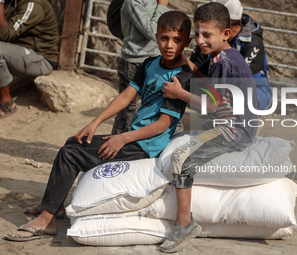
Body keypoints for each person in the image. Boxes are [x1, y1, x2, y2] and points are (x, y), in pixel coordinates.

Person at [4, 10, 193, 242]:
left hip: (145, 146)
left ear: (187, 42)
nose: (169, 45)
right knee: (74, 141)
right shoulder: (151, 63)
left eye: (177, 40)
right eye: (164, 38)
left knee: (69, 154)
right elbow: (126, 97)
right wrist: (94, 123)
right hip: (133, 137)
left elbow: (162, 125)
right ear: (156, 36)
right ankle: (53, 206)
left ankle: (47, 220)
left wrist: (123, 138)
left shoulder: (181, 77)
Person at [160, 2, 258, 253]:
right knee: (178, 141)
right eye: (197, 34)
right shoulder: (217, 57)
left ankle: (184, 223)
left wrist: (179, 93)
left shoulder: (227, 60)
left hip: (234, 132)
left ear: (226, 34)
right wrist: (180, 59)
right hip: (224, 125)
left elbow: (212, 106)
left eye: (207, 35)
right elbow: (198, 76)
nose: (200, 41)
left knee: (182, 159)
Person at [190, 0, 272, 110]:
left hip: (253, 89)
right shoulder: (207, 39)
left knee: (232, 98)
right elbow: (196, 68)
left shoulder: (252, 41)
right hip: (217, 83)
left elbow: (236, 77)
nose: (200, 40)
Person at [111, 0, 169, 134]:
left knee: (155, 107)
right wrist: (162, 6)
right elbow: (152, 31)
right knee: (126, 113)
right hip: (134, 63)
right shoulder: (133, 2)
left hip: (154, 61)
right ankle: (116, 149)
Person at [0, 0, 59, 118]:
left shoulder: (33, 4)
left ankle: (6, 103)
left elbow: (5, 34)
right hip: (20, 52)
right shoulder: (14, 1)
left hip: (41, 59)